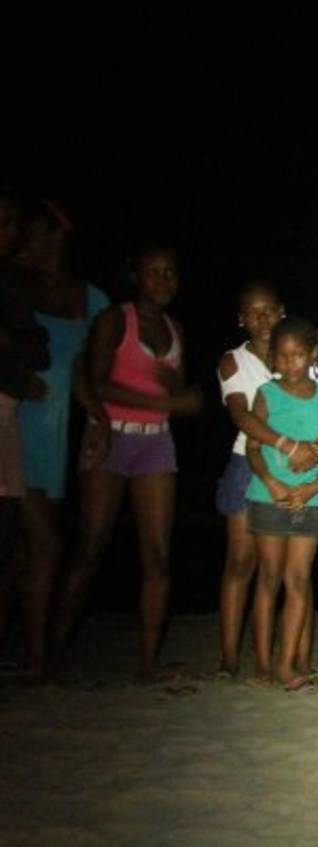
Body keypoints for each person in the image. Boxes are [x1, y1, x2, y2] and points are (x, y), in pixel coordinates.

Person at [51, 246, 201, 679]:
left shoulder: (175, 329)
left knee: (157, 553)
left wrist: (178, 400)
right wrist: (171, 399)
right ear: (135, 275)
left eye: (170, 272)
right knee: (91, 545)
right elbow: (97, 381)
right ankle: (52, 654)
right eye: (153, 271)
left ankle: (148, 663)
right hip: (111, 436)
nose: (163, 280)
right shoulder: (116, 320)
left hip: (156, 440)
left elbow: (173, 391)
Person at [215, 280, 318, 679]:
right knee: (244, 564)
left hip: (308, 476)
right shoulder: (237, 363)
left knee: (298, 577)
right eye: (253, 312)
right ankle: (237, 660)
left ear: (282, 311)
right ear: (241, 319)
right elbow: (242, 417)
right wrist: (288, 447)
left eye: (269, 310)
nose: (263, 318)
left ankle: (295, 661)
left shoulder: (314, 362)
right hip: (255, 469)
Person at [11, 202, 109, 677]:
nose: (32, 245)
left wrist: (101, 421)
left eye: (41, 235)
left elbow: (82, 375)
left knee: (31, 552)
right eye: (24, 236)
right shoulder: (13, 293)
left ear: (61, 238)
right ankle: (36, 660)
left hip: (53, 436)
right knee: (45, 547)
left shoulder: (94, 302)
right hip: (11, 424)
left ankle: (41, 651)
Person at [245, 317, 318, 689]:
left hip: (310, 498)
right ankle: (261, 663)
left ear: (313, 355)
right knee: (268, 578)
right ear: (273, 358)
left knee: (299, 580)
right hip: (268, 496)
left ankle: (287, 663)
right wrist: (271, 482)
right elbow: (253, 449)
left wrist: (315, 485)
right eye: (283, 357)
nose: (290, 364)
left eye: (298, 356)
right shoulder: (266, 394)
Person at [0, 192, 50, 661]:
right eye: (8, 222)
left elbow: (39, 350)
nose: (12, 232)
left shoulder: (15, 283)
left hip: (15, 413)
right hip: (11, 407)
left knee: (17, 536)